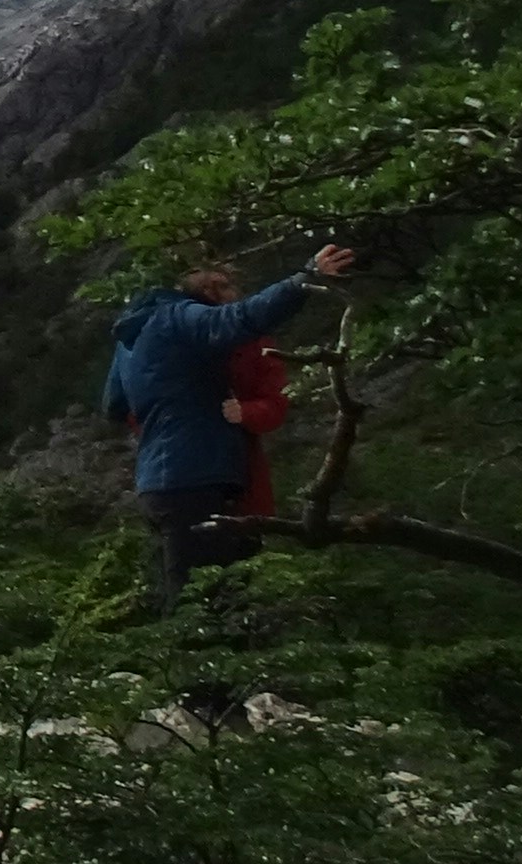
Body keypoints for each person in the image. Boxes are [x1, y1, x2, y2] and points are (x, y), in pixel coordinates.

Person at [102, 242, 352, 610]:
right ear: (194, 290)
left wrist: (164, 416)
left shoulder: (131, 336)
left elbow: (114, 404)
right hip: (197, 479)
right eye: (213, 285)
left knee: (189, 600)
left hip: (158, 483)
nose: (220, 293)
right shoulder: (178, 317)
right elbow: (238, 320)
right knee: (210, 609)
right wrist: (304, 277)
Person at [222, 328, 294, 518]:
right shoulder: (160, 336)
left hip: (240, 476)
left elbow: (276, 403)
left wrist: (245, 412)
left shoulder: (252, 339)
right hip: (177, 477)